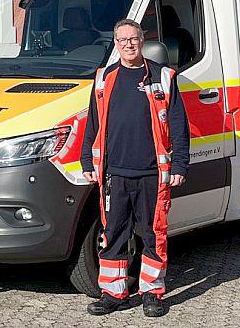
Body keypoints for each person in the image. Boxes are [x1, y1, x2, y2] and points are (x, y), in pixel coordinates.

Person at [80, 19, 190, 317]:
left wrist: (180, 163)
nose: (129, 44)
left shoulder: (163, 77)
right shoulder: (104, 78)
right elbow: (94, 121)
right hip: (114, 173)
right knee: (113, 232)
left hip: (153, 173)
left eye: (134, 39)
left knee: (153, 233)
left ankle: (152, 292)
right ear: (115, 44)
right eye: (123, 39)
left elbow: (179, 126)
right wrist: (86, 159)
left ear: (143, 41)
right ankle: (113, 292)